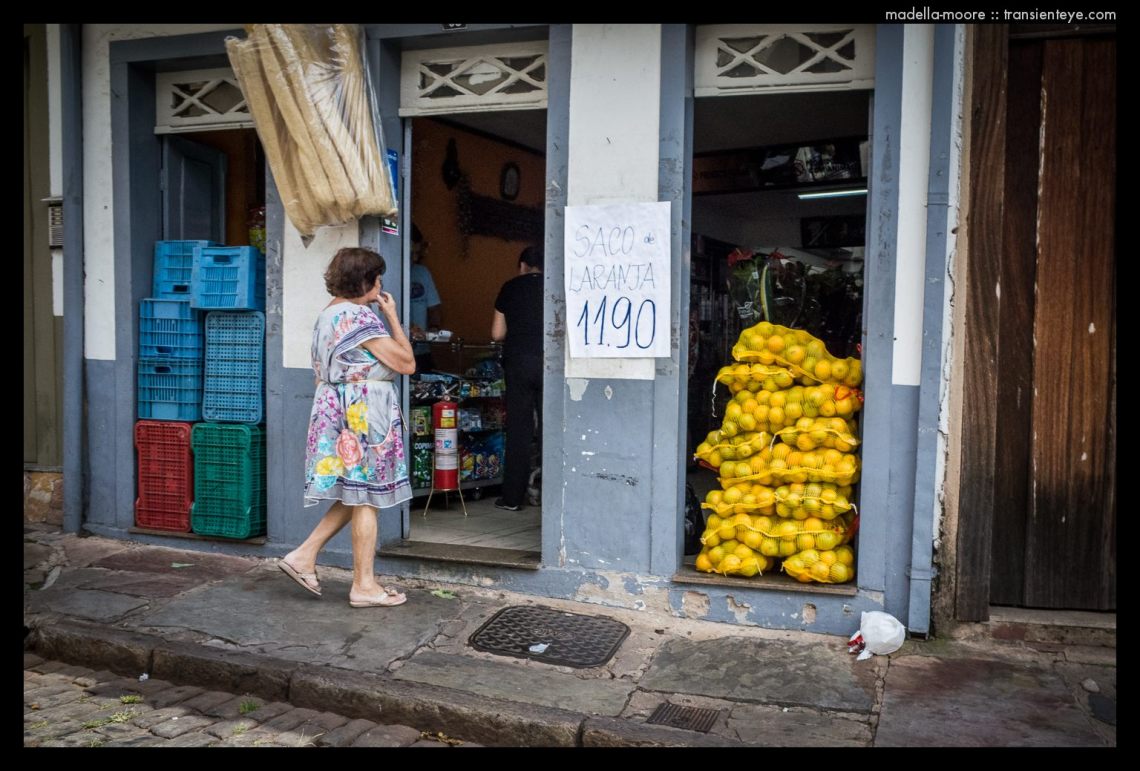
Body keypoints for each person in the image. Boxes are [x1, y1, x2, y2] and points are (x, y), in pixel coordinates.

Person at [278, 247, 417, 608]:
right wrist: (392, 317)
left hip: (335, 407)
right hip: (363, 412)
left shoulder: (327, 316)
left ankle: (303, 556)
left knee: (353, 491)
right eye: (378, 278)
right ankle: (364, 586)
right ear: (365, 281)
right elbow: (406, 363)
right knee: (368, 495)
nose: (381, 284)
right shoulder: (359, 318)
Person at [490, 245, 544, 512]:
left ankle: (512, 498)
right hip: (551, 365)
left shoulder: (509, 288)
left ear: (523, 265)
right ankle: (552, 493)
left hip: (518, 364)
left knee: (519, 431)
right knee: (551, 430)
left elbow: (497, 333)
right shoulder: (557, 287)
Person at [408, 224, 442, 372]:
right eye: (411, 253)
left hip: (422, 350)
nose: (415, 258)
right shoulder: (390, 273)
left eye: (417, 252)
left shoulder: (422, 272)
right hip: (400, 349)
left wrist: (433, 331)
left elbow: (434, 307)